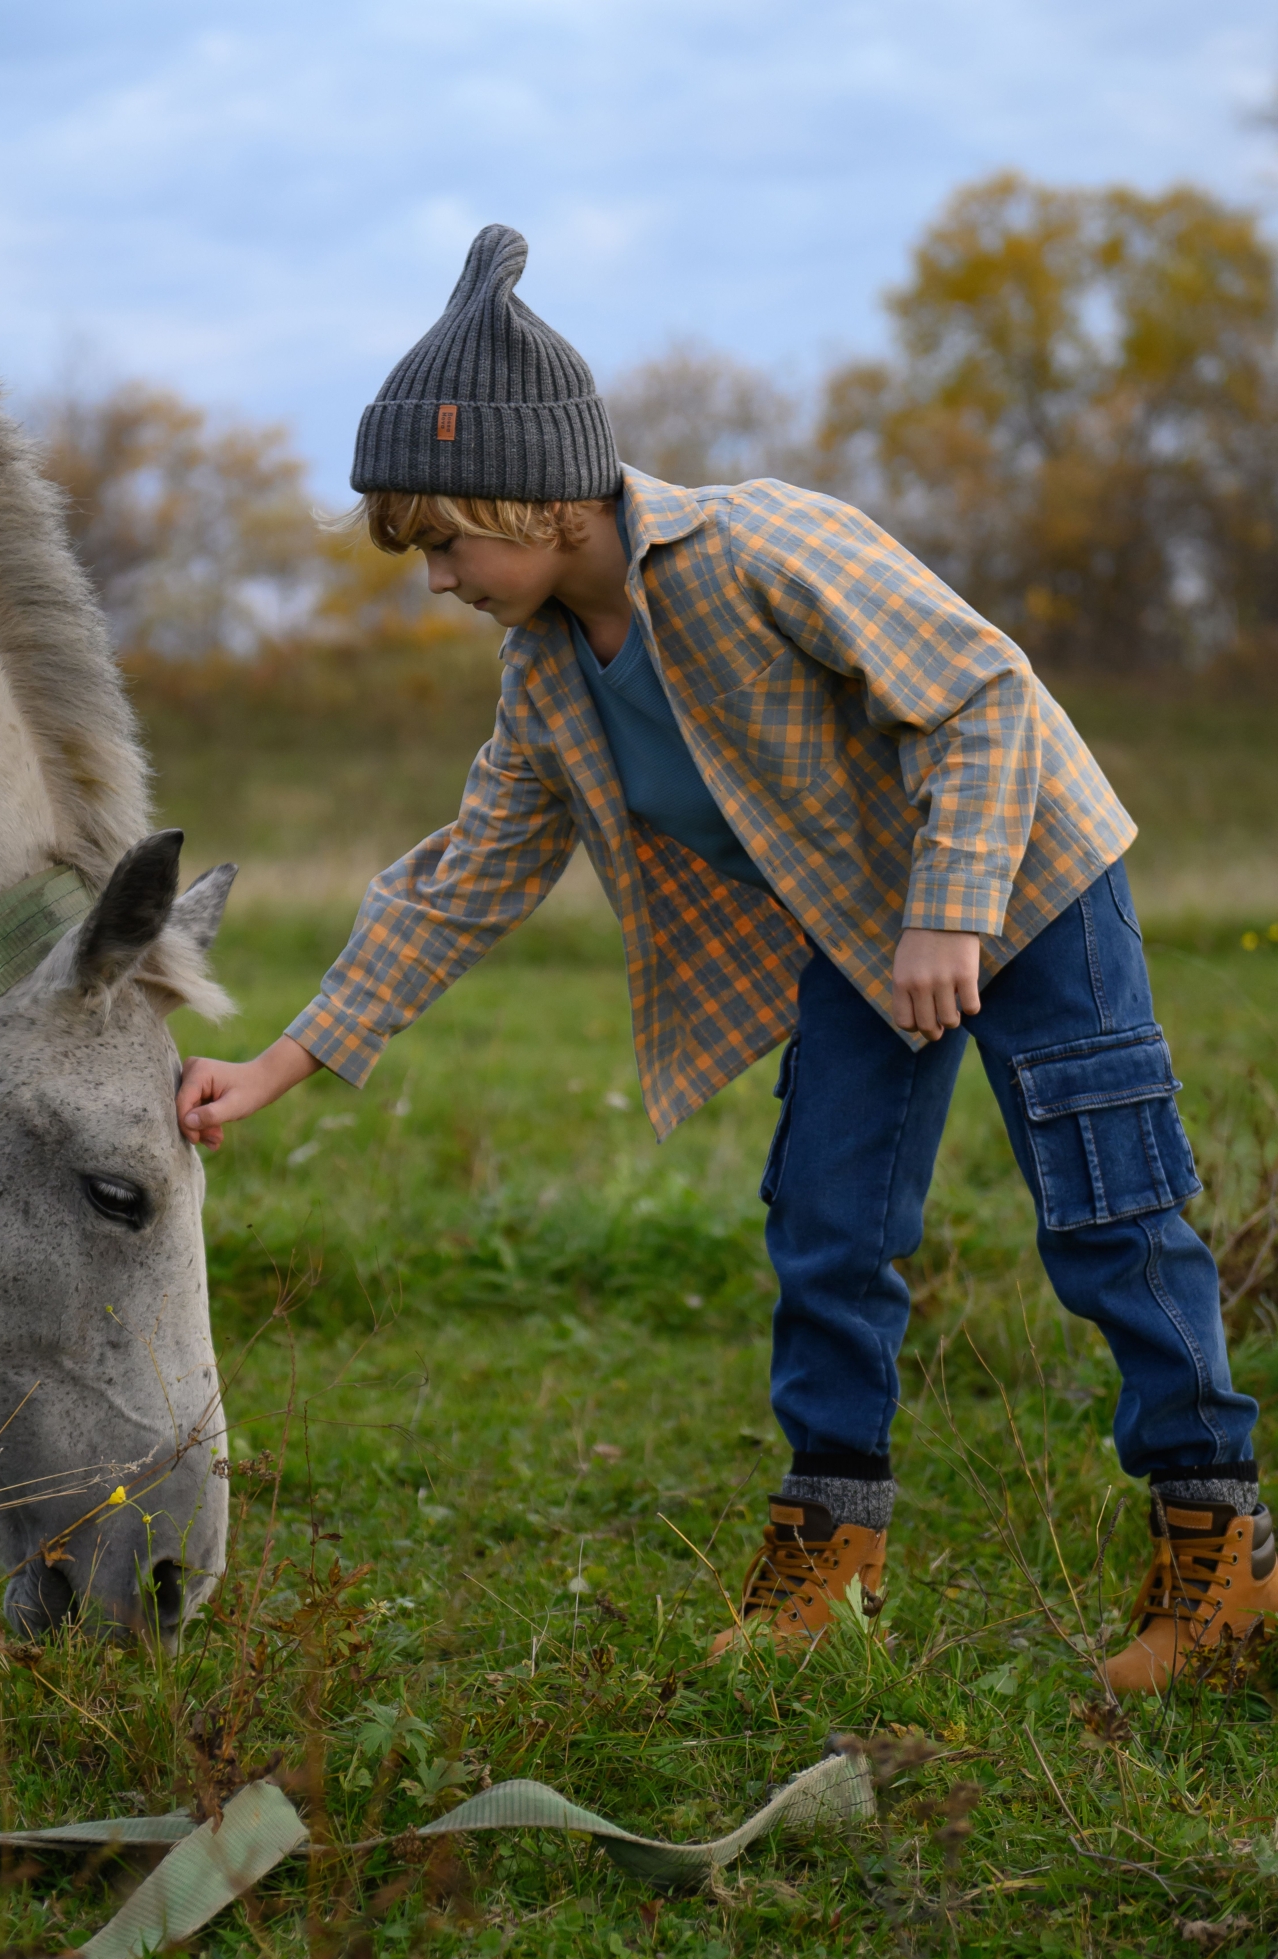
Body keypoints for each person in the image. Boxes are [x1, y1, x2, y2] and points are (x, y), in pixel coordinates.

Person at [176, 225, 1271, 1694]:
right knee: (828, 1223)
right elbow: (464, 879)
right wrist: (279, 1062)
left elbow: (987, 695)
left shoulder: (764, 546)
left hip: (1027, 879)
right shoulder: (549, 671)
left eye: (444, 540)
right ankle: (831, 1551)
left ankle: (1220, 1552)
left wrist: (952, 910)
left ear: (542, 497)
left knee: (1106, 1210)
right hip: (859, 925)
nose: (433, 578)